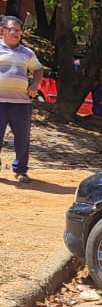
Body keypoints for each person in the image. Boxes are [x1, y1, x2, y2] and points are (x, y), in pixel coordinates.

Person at [0, 15, 43, 183]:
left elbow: (38, 70)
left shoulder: (27, 52)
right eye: (13, 30)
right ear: (2, 31)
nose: (17, 33)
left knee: (22, 138)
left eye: (19, 31)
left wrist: (34, 85)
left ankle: (21, 170)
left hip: (21, 103)